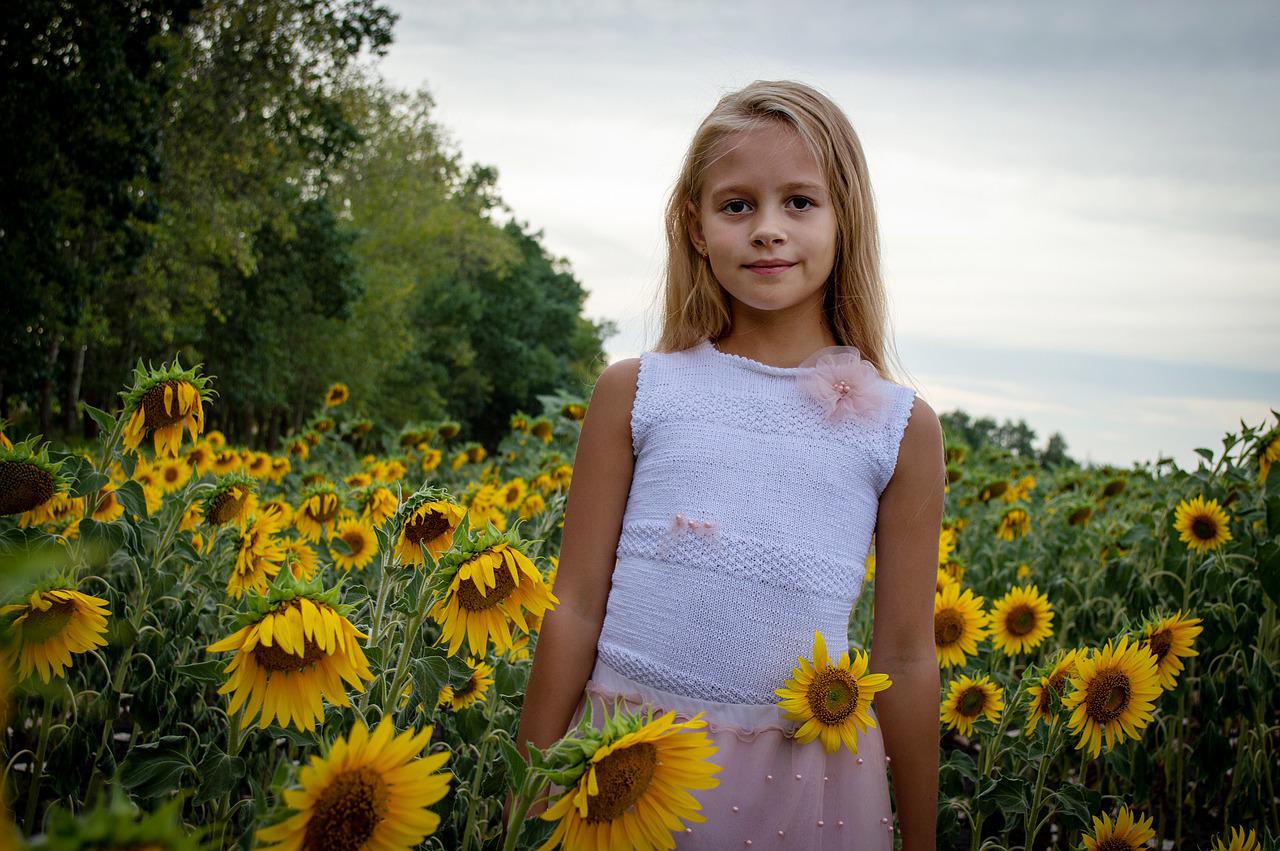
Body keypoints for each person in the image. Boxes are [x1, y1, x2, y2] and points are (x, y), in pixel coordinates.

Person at [511, 79, 943, 850]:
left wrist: (922, 838)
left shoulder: (900, 428)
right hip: (621, 769)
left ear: (847, 218)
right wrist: (523, 789)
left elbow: (906, 657)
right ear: (697, 226)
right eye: (737, 205)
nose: (768, 229)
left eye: (800, 203)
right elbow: (574, 603)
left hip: (806, 786)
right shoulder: (638, 392)